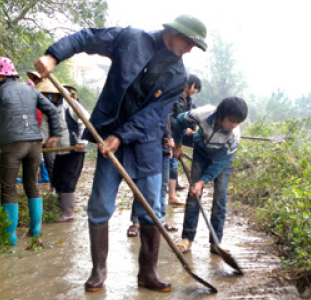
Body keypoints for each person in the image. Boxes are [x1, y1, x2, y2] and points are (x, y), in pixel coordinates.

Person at [34, 14, 208, 293]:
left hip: (146, 144)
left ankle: (148, 273)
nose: (189, 49)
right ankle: (98, 271)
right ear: (173, 31)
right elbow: (87, 37)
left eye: (194, 47)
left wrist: (122, 136)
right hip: (108, 136)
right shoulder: (131, 39)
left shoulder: (179, 76)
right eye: (188, 41)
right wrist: (54, 56)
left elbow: (154, 114)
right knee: (100, 204)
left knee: (151, 209)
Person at [0, 57, 60, 245]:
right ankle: (35, 230)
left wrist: (1, 143)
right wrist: (54, 134)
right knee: (31, 184)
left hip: (13, 144)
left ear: (0, 75)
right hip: (34, 143)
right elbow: (52, 110)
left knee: (8, 188)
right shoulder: (30, 90)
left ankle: (9, 237)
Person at [173, 97, 248, 254]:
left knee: (220, 198)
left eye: (238, 122)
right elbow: (179, 121)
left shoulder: (234, 136)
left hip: (221, 159)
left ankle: (216, 243)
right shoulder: (203, 114)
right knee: (194, 194)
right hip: (201, 151)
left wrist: (202, 181)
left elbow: (219, 163)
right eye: (231, 121)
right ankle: (187, 238)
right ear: (220, 115)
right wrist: (178, 145)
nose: (233, 125)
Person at [36, 79, 90, 222]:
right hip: (61, 150)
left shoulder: (69, 105)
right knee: (57, 178)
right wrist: (43, 143)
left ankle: (68, 212)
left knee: (68, 179)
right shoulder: (48, 109)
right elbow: (45, 129)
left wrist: (81, 141)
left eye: (47, 94)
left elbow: (85, 121)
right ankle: (59, 208)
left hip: (75, 149)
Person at [127, 116, 178, 238]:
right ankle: (136, 221)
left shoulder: (167, 105)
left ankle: (160, 219)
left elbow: (167, 125)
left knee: (162, 187)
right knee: (142, 187)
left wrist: (169, 143)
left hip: (164, 151)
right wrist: (166, 139)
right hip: (147, 150)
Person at [168, 75, 202, 205]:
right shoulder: (173, 98)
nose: (195, 90)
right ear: (188, 85)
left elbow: (194, 121)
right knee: (172, 163)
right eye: (195, 87)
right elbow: (168, 118)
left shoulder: (191, 103)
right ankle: (172, 195)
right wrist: (182, 127)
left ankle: (199, 174)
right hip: (171, 134)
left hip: (184, 134)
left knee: (200, 142)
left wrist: (190, 129)